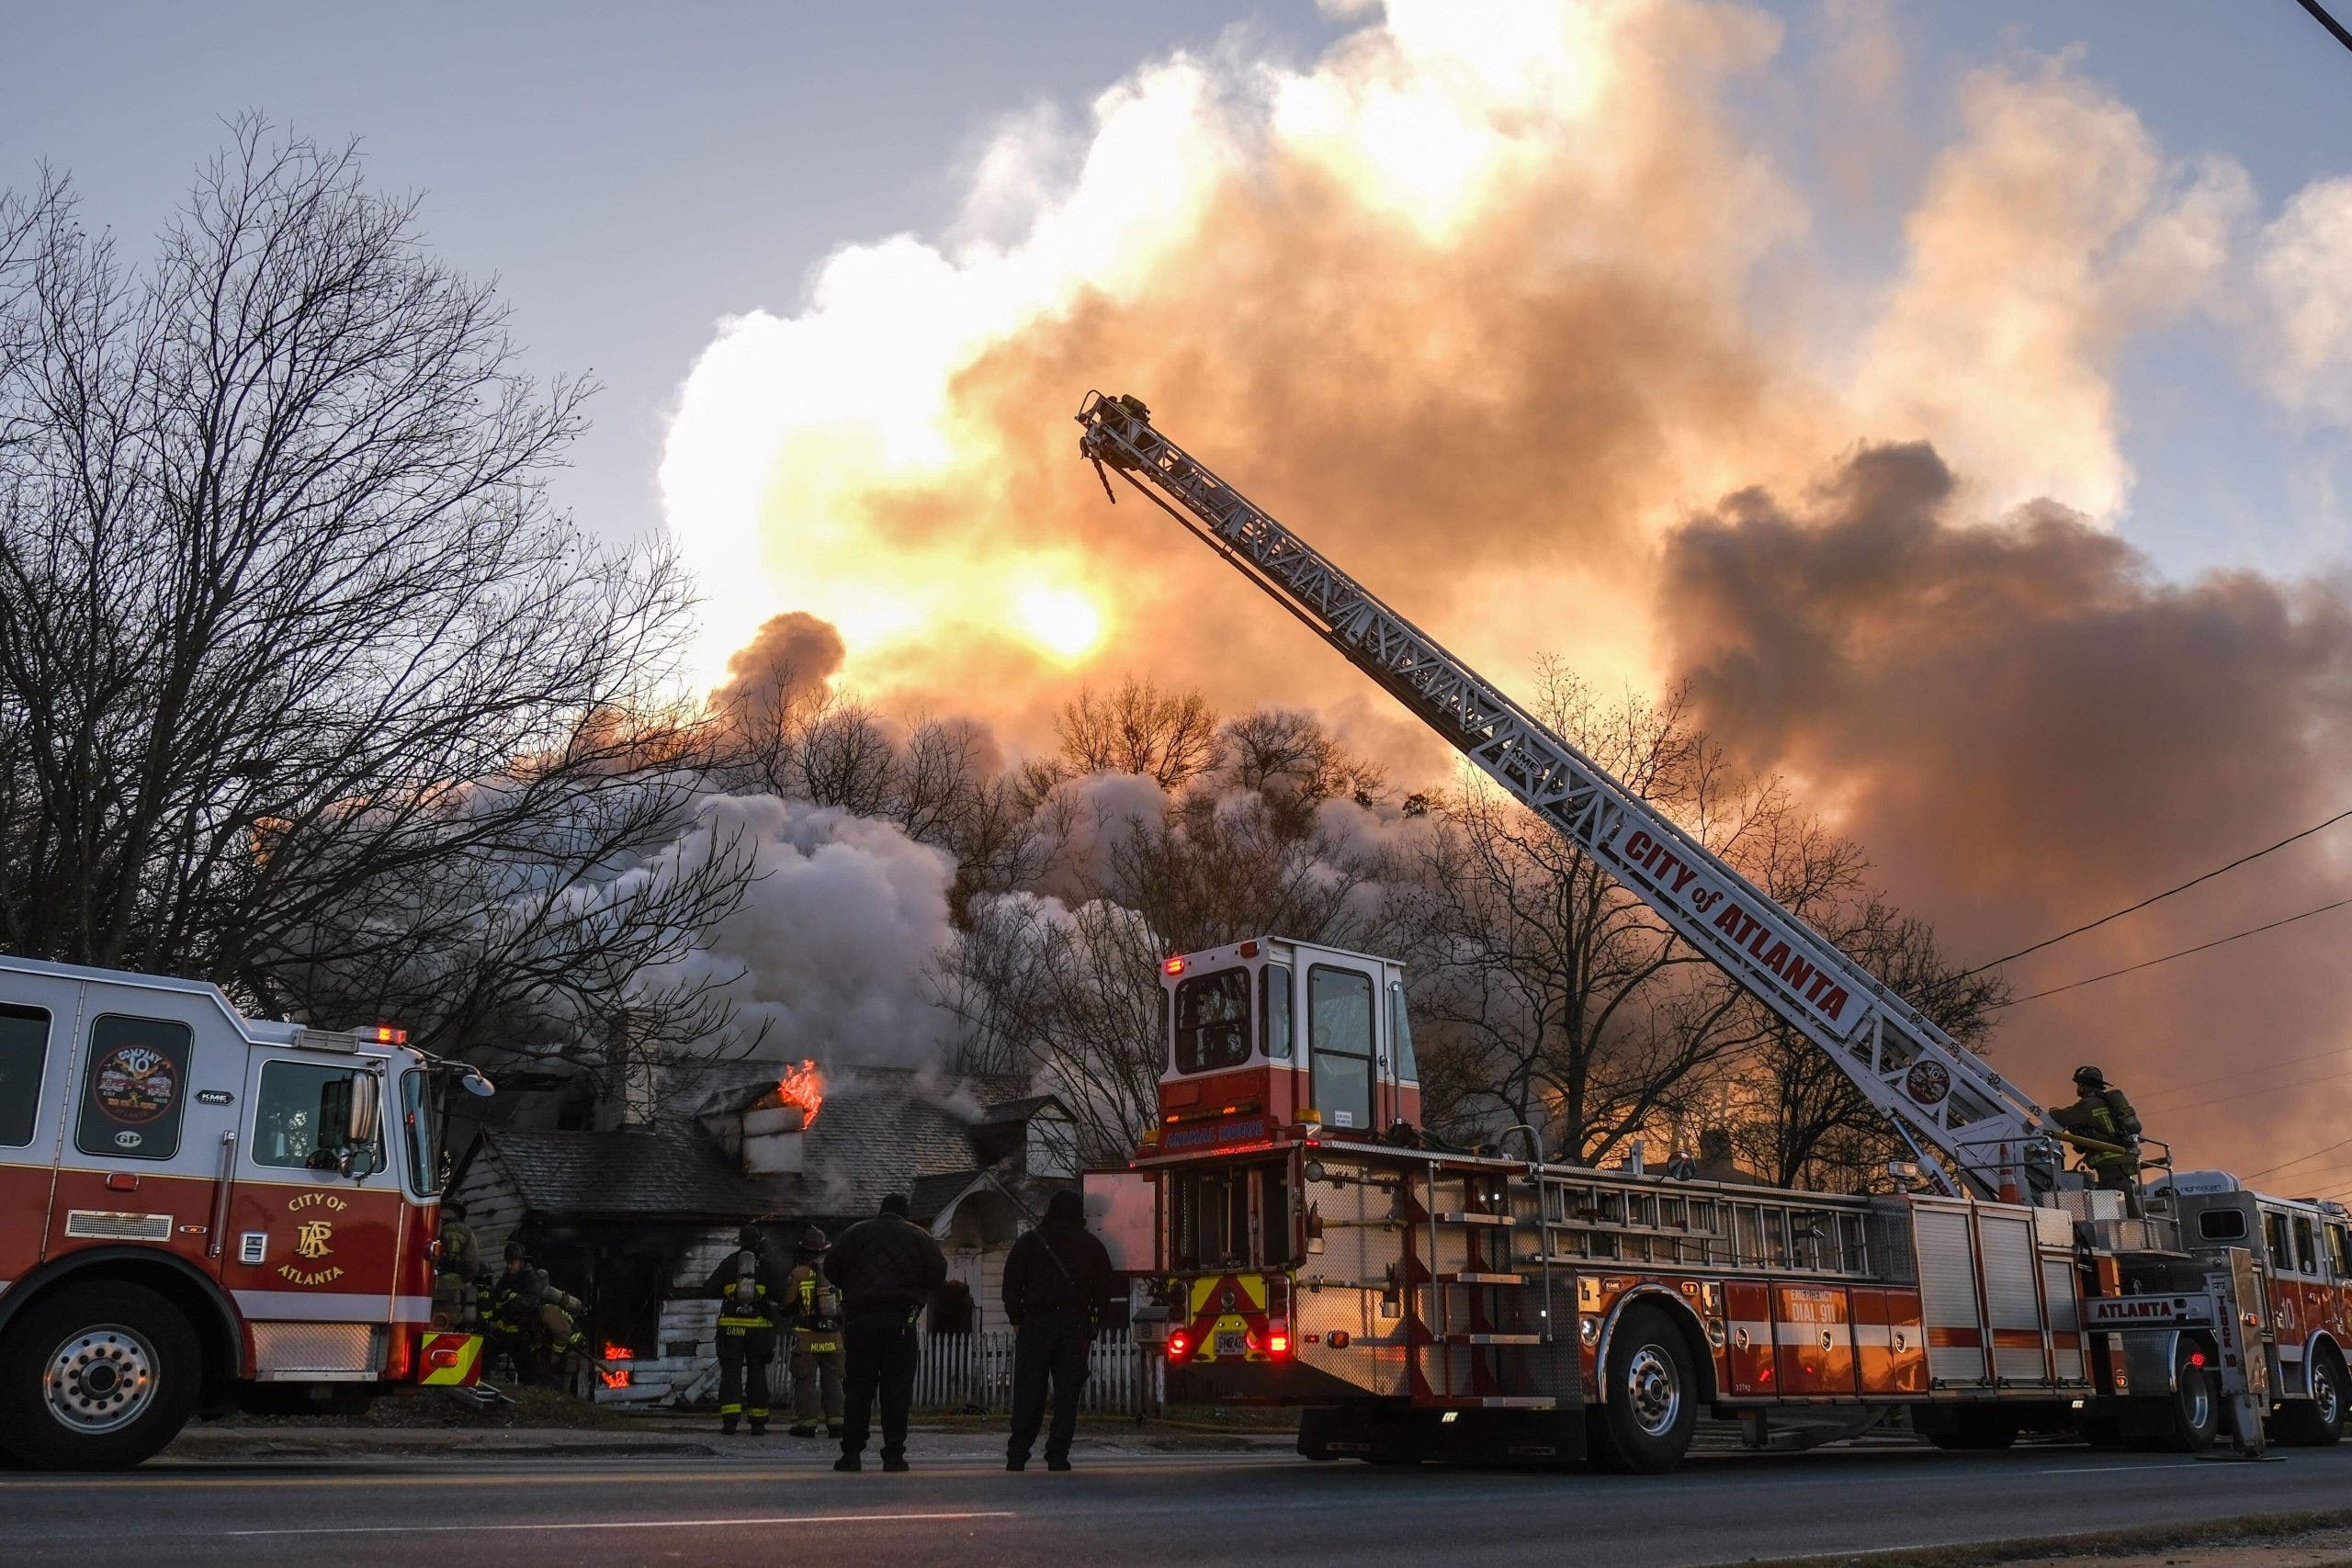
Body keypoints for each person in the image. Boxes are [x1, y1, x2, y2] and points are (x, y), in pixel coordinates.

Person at [824, 1192, 945, 1472]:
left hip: (860, 1322)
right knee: (897, 1391)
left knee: (858, 1389)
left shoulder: (855, 1233)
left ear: (881, 1210)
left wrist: (853, 1287)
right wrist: (916, 1289)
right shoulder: (920, 1237)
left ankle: (852, 1453)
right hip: (901, 1323)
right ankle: (893, 1454)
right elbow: (938, 1273)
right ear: (905, 1213)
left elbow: (831, 1267)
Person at [1001, 1189, 1114, 1472]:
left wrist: (1017, 1319)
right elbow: (1104, 1291)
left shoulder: (1029, 1242)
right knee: (1067, 1394)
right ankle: (1057, 1454)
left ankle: (1018, 1453)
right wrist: (1093, 1324)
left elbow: (1012, 1285)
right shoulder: (1091, 1245)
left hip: (1035, 1323)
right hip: (1073, 1325)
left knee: (1029, 1391)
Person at [703, 1223, 783, 1435]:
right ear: (758, 1242)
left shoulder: (730, 1263)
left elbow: (709, 1288)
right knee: (757, 1372)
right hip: (759, 1329)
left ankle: (730, 1422)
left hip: (731, 1329)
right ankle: (758, 1423)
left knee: (731, 1373)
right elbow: (781, 1294)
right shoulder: (766, 1265)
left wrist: (729, 1293)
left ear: (739, 1242)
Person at [2051, 1066, 2143, 1212]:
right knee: (2125, 1206)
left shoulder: (2089, 1104)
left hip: (2111, 1167)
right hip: (2120, 1165)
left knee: (2117, 1212)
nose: (2078, 1088)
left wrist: (2052, 1110)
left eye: (2078, 1084)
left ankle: (2138, 1233)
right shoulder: (2107, 1102)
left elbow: (2063, 1117)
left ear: (2083, 1085)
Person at [783, 1226, 845, 1438]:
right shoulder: (837, 1272)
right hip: (833, 1338)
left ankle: (807, 1425)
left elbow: (787, 1302)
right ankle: (837, 1424)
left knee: (806, 1381)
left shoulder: (798, 1273)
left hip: (807, 1338)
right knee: (833, 1380)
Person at [434, 1200, 482, 1329]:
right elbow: (472, 1265)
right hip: (452, 1293)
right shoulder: (466, 1231)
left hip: (425, 1292)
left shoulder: (430, 1226)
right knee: (446, 1330)